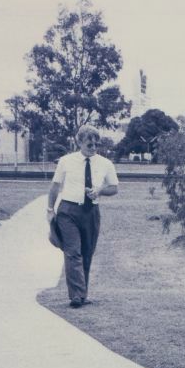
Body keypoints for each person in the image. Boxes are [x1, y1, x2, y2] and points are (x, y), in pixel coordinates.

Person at [47, 125, 119, 308]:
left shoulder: (105, 164)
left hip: (91, 212)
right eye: (89, 144)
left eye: (96, 144)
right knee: (73, 252)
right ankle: (76, 296)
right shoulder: (65, 161)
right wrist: (50, 210)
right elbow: (55, 186)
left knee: (87, 253)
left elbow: (114, 188)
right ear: (79, 142)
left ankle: (82, 294)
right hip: (68, 211)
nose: (93, 148)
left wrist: (99, 191)